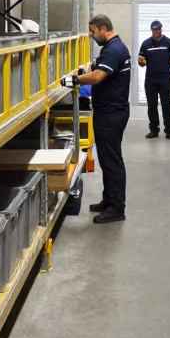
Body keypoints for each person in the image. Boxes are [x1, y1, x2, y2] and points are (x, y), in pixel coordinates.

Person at [63, 14, 131, 223]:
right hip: (109, 112)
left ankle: (117, 208)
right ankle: (109, 200)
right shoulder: (113, 48)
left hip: (111, 114)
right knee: (107, 159)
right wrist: (85, 69)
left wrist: (73, 79)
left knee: (112, 161)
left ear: (103, 28)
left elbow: (97, 77)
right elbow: (96, 68)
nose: (92, 36)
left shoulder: (114, 50)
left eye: (93, 32)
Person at [137, 20, 170, 140]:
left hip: (164, 78)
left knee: (166, 105)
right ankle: (154, 130)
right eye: (153, 30)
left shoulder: (168, 43)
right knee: (152, 105)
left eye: (157, 30)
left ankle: (169, 130)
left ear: (161, 30)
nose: (155, 32)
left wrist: (167, 65)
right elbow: (141, 61)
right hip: (150, 79)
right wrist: (141, 62)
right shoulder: (146, 44)